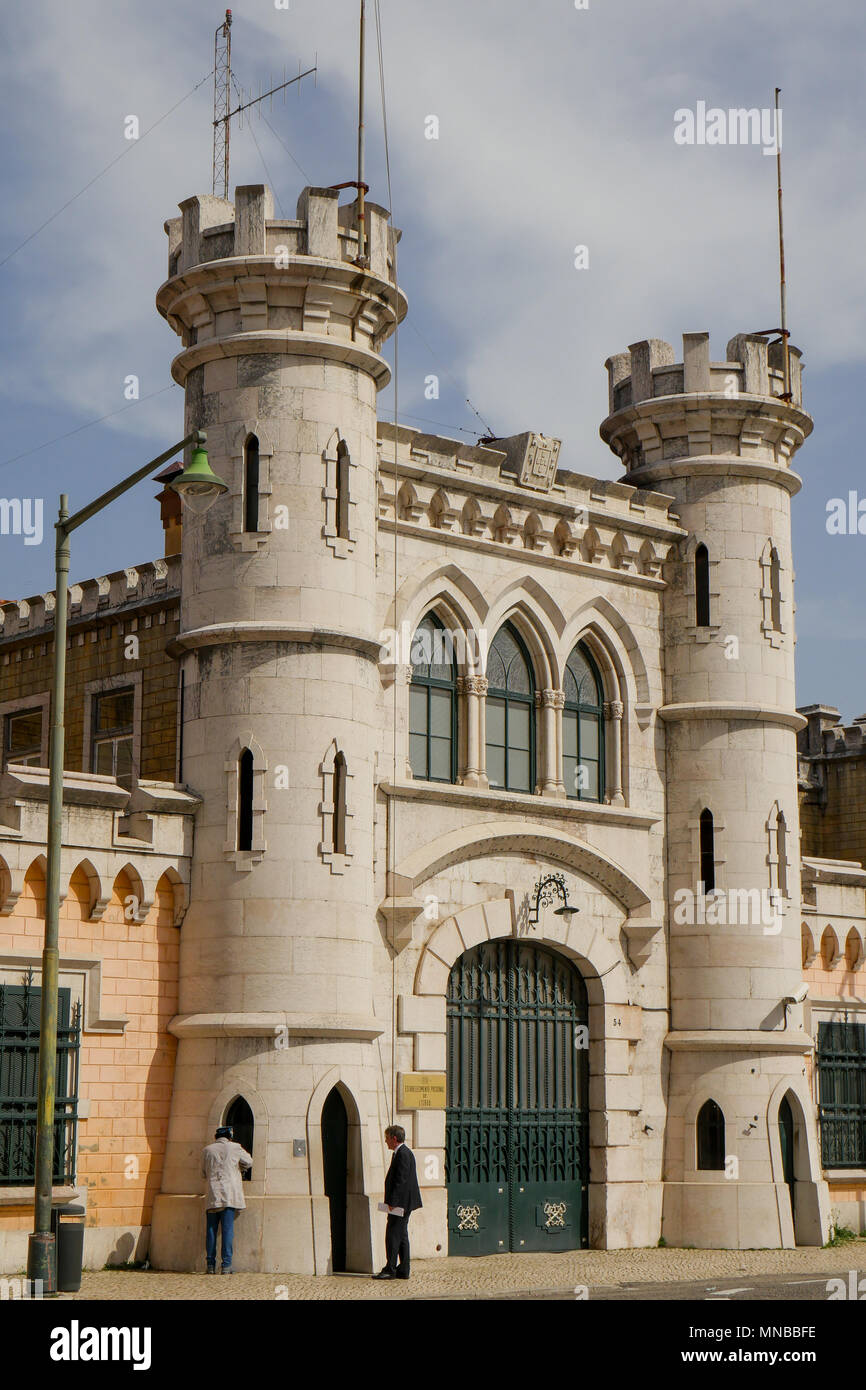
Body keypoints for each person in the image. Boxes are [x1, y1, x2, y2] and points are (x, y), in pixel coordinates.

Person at [201, 1124, 253, 1274]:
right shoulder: (235, 1147)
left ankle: (210, 1265)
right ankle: (226, 1265)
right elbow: (249, 1161)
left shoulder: (207, 1150)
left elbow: (203, 1172)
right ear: (230, 1136)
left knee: (211, 1230)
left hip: (212, 1193)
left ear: (216, 1137)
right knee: (227, 1230)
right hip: (229, 1194)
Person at [373, 1124, 422, 1280]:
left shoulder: (403, 1154)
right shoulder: (400, 1153)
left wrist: (393, 1201)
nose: (385, 1141)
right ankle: (403, 1269)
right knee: (401, 1235)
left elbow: (401, 1180)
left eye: (387, 1138)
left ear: (394, 1139)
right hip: (403, 1202)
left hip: (400, 1203)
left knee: (393, 1235)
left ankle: (390, 1268)